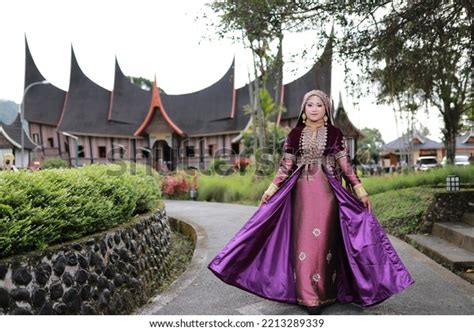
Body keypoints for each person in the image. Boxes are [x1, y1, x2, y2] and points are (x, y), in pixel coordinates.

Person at [208, 90, 414, 315]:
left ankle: (325, 292)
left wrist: (359, 188)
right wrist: (271, 188)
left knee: (324, 241)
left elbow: (345, 165)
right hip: (301, 194)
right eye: (309, 105)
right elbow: (286, 166)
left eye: (319, 105)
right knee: (303, 243)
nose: (314, 108)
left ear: (326, 109)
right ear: (304, 110)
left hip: (328, 193)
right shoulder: (295, 135)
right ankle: (307, 296)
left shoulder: (335, 134)